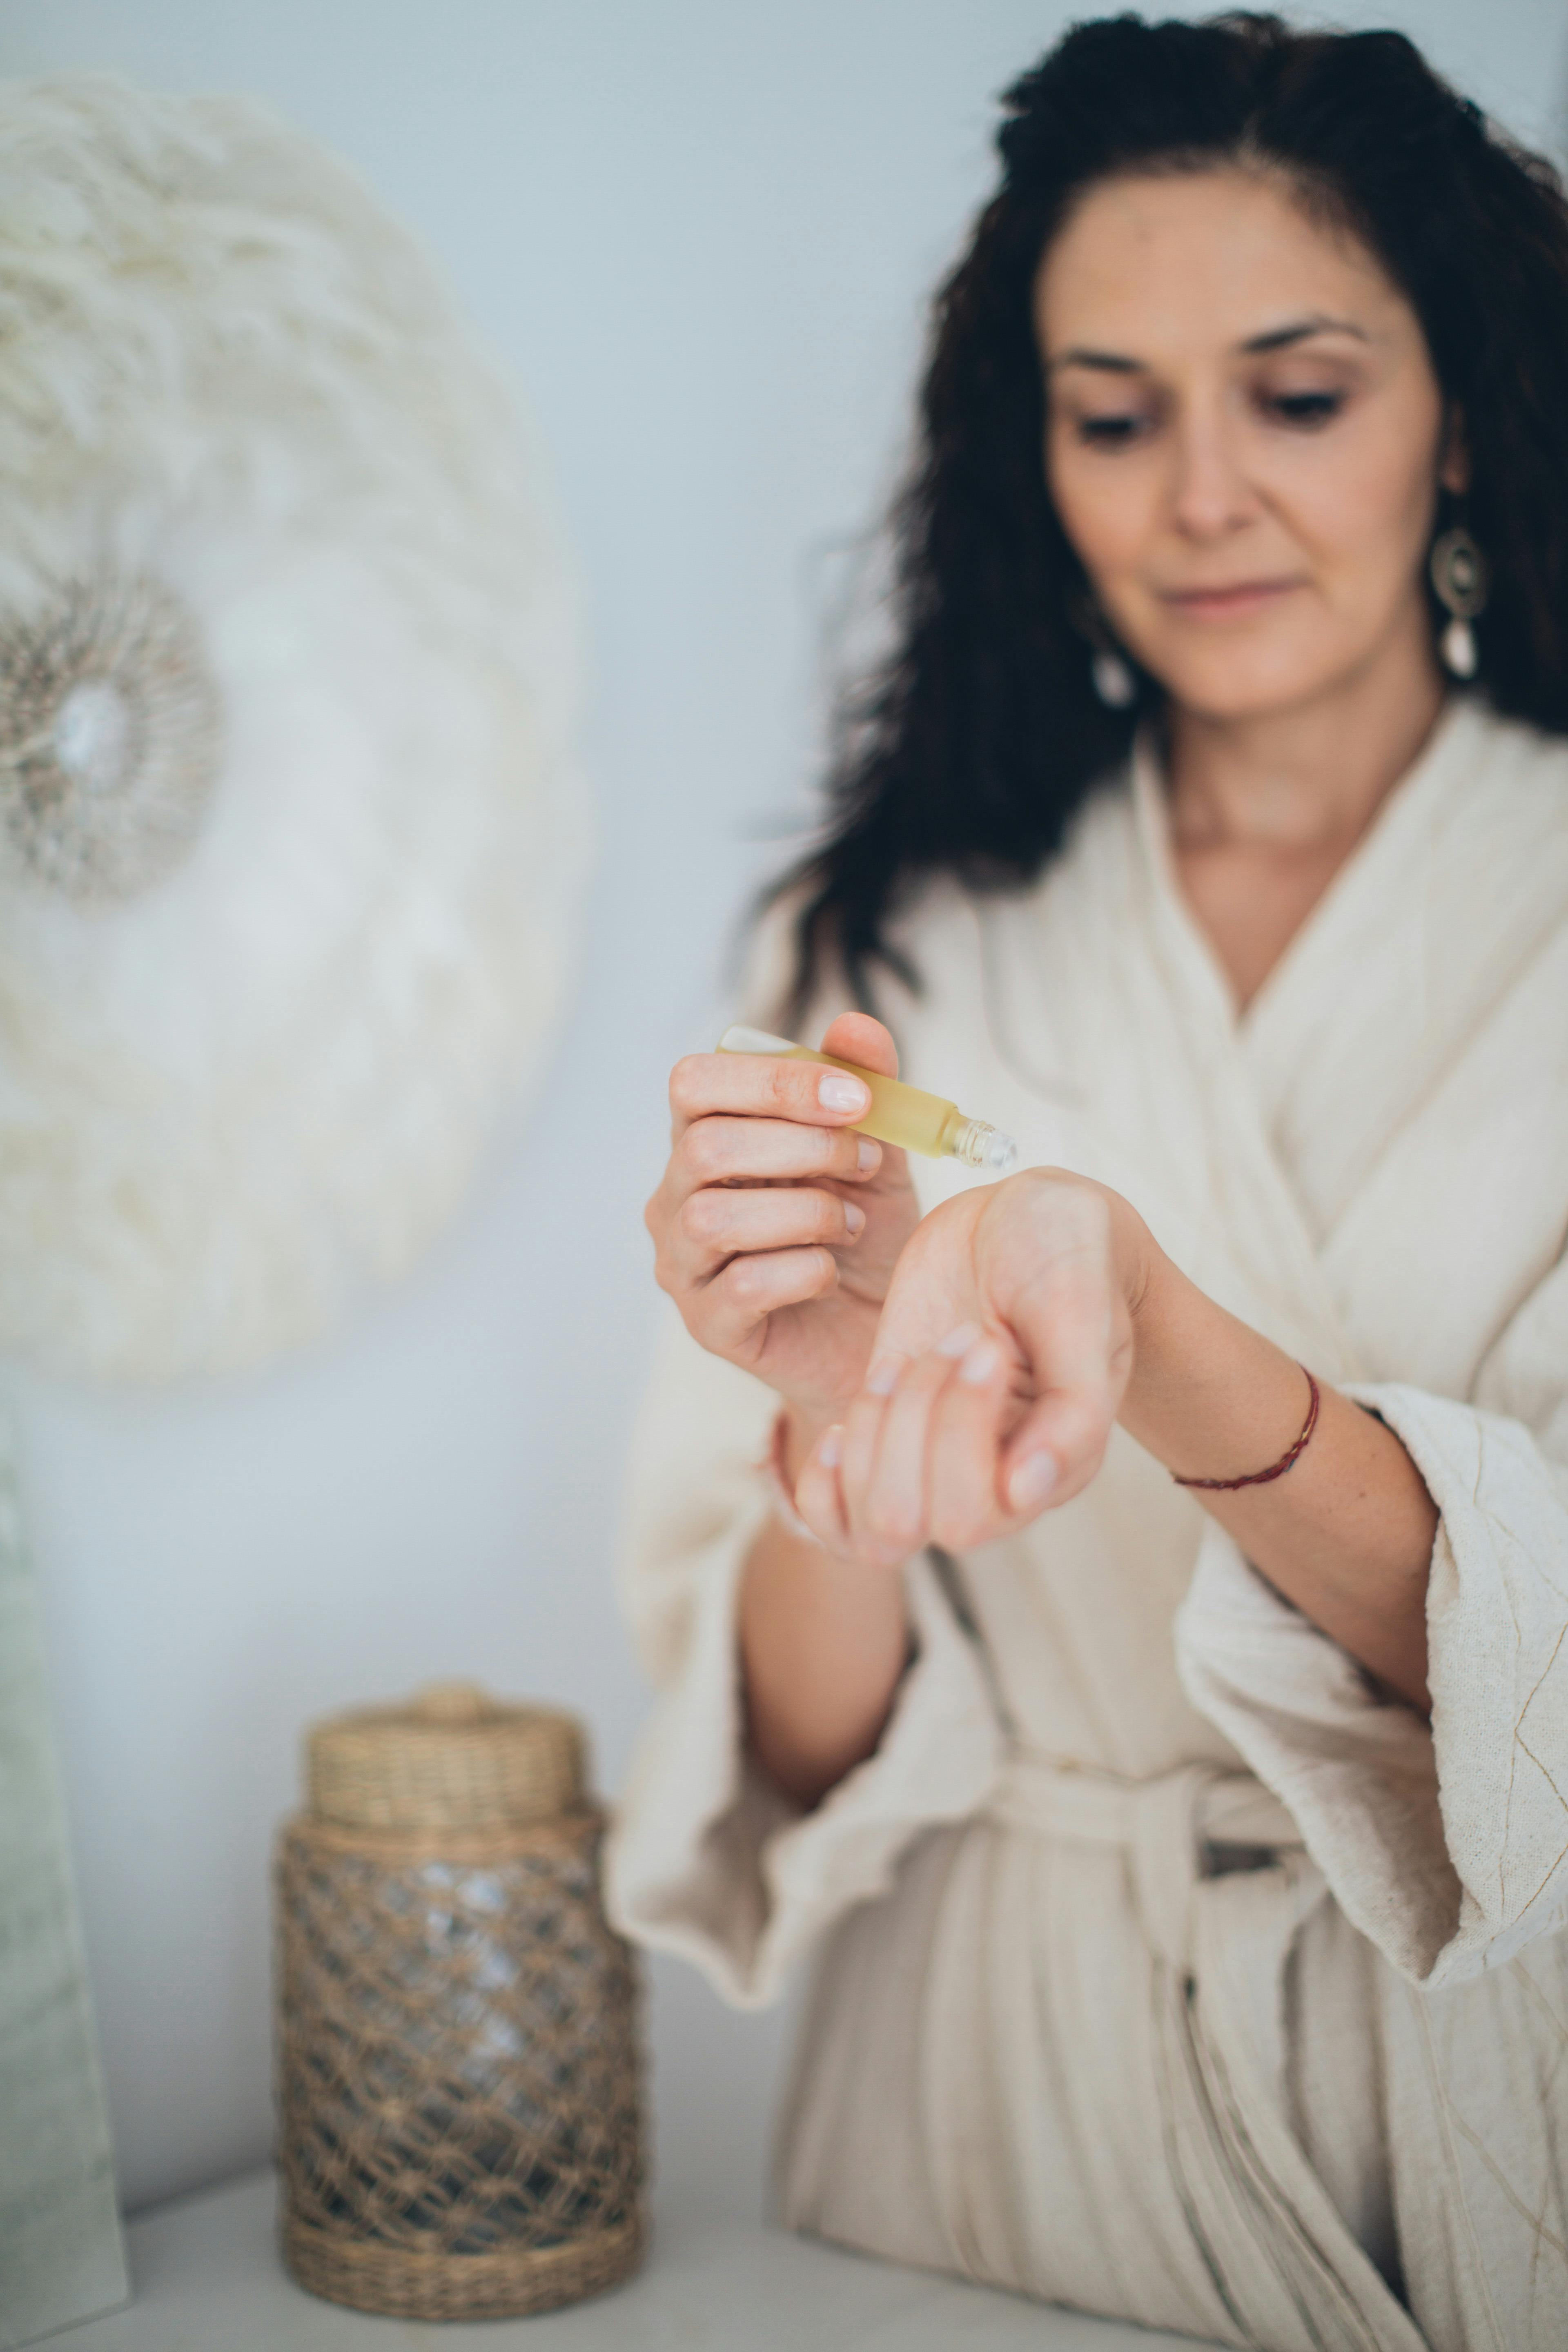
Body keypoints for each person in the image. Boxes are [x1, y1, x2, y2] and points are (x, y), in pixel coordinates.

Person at [607, 16, 1568, 2345]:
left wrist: (1147, 1326)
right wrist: (838, 1430)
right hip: (974, 2127)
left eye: (1302, 393)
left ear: (1461, 408)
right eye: (1114, 415)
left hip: (1474, 2103)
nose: (1199, 495)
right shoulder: (872, 947)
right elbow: (786, 1754)